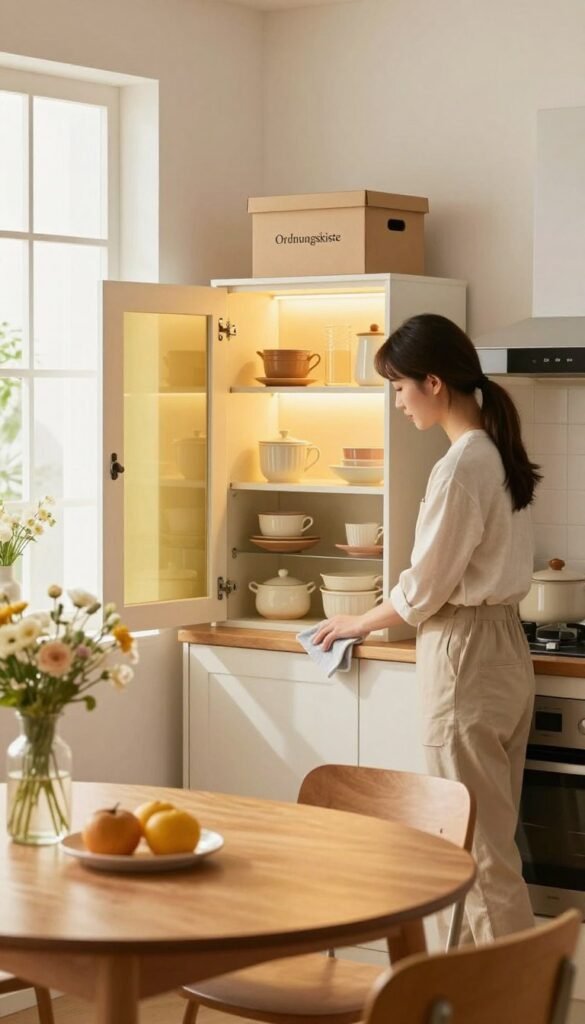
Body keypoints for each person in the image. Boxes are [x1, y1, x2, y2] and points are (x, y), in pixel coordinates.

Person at [313, 313, 541, 945]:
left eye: (398, 386)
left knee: (479, 851)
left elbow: (424, 589)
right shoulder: (496, 452)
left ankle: (520, 1003)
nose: (396, 401)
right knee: (480, 839)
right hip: (504, 647)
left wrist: (358, 621)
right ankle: (468, 999)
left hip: (464, 651)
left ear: (433, 383)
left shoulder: (461, 465)